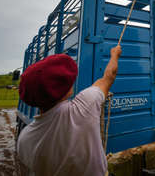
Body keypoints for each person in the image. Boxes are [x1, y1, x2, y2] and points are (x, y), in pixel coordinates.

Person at [17, 45, 122, 176]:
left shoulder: (24, 139)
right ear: (67, 90)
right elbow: (109, 77)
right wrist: (114, 55)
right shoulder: (83, 107)